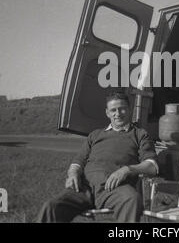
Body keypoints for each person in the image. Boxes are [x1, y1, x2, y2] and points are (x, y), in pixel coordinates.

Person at [37, 92, 158, 223]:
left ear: (130, 109)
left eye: (122, 108)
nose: (117, 113)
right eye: (113, 110)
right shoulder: (95, 135)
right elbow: (78, 162)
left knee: (132, 199)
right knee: (51, 207)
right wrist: (72, 174)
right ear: (107, 113)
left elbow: (152, 166)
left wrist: (127, 170)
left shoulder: (139, 134)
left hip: (115, 187)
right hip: (84, 188)